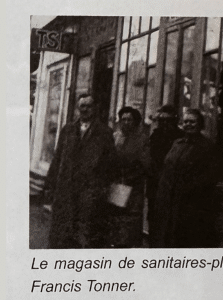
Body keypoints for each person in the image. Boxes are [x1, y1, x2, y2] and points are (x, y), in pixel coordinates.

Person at [44, 94, 117, 249]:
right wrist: (50, 185)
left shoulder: (104, 133)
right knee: (62, 233)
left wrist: (100, 188)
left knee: (85, 234)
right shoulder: (68, 130)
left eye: (88, 106)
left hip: (89, 192)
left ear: (95, 108)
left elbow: (110, 165)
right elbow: (57, 159)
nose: (84, 109)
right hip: (66, 190)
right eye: (81, 106)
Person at [151, 108, 219, 248]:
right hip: (168, 202)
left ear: (200, 124)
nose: (189, 124)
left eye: (192, 122)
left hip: (190, 205)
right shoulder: (177, 143)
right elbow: (167, 168)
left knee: (184, 240)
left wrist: (187, 190)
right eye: (186, 121)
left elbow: (209, 177)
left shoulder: (206, 147)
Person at [106, 106, 150, 248]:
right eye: (123, 119)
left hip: (132, 186)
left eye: (129, 120)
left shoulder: (141, 140)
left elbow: (145, 163)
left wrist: (131, 175)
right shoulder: (115, 137)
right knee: (115, 216)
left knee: (130, 220)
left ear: (135, 122)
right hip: (117, 184)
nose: (125, 122)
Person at [146, 105, 183, 243]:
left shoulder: (180, 137)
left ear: (175, 121)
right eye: (162, 121)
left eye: (169, 121)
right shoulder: (155, 135)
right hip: (155, 185)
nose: (165, 124)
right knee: (154, 219)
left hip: (172, 187)